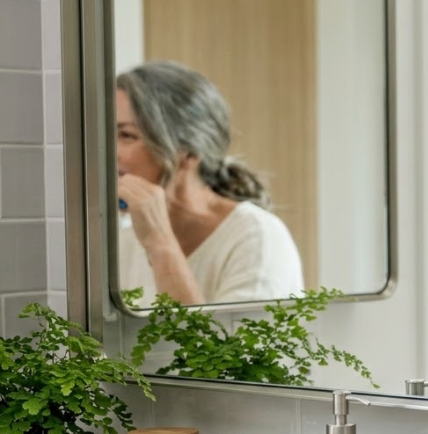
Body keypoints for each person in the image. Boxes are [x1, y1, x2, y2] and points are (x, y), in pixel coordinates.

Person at [115, 60, 304, 306]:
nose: (105, 152)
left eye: (126, 135)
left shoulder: (257, 240)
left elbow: (216, 345)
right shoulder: (122, 244)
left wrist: (160, 244)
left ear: (190, 153)